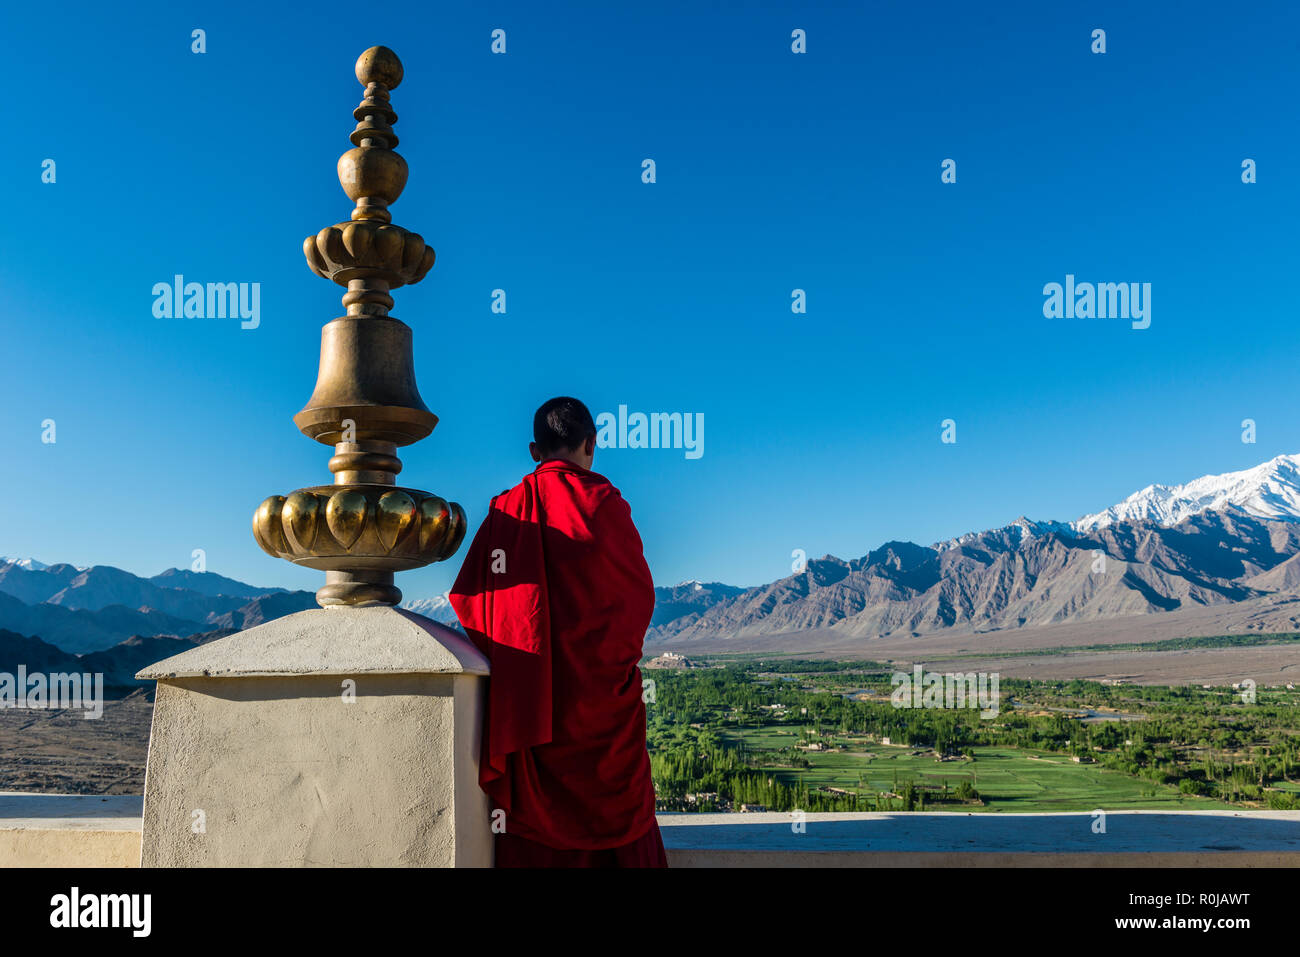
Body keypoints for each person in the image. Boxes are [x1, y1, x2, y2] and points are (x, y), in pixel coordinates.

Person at [449, 396, 667, 868]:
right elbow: (638, 604)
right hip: (605, 719)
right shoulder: (607, 507)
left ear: (534, 450)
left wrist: (524, 671)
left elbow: (473, 604)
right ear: (592, 444)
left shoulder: (509, 511)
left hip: (533, 723)